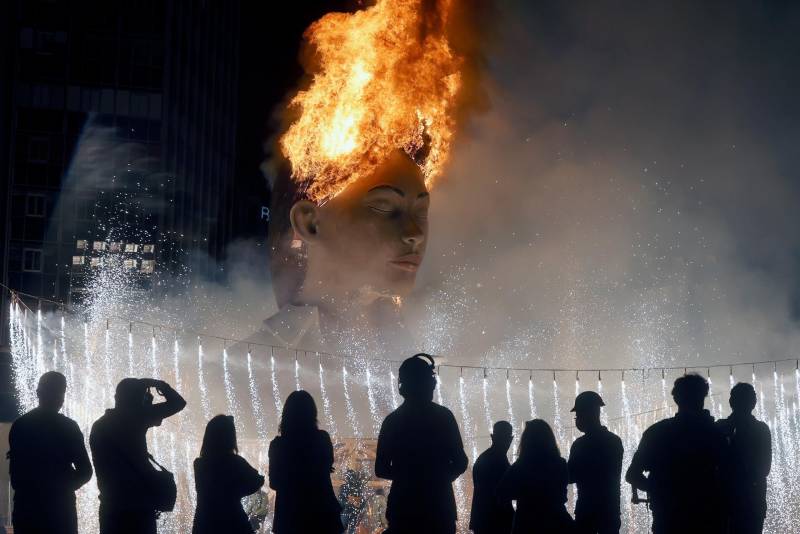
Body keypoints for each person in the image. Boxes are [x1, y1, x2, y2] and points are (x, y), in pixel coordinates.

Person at [375, 353, 468, 534]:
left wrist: (408, 476)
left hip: (403, 509)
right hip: (439, 508)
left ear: (403, 386)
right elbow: (461, 462)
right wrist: (437, 479)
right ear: (430, 384)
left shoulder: (392, 421)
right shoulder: (444, 417)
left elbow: (381, 469)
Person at [626, 373, 726, 534]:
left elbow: (632, 474)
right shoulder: (715, 434)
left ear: (677, 399)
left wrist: (659, 491)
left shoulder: (657, 432)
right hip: (708, 517)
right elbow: (730, 475)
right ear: (703, 397)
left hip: (668, 519)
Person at [90, 378, 186, 534]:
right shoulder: (137, 419)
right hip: (140, 508)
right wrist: (160, 385)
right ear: (137, 401)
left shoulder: (99, 425)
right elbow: (178, 403)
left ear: (116, 397)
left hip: (111, 508)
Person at [8, 371, 93, 534]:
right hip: (61, 513)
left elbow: (16, 477)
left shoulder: (20, 426)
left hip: (27, 511)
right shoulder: (69, 427)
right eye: (60, 392)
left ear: (38, 392)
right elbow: (86, 471)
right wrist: (62, 488)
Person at [269, 390, 343, 534]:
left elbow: (274, 483)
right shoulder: (322, 439)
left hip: (289, 517)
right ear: (312, 413)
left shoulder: (278, 445)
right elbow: (327, 465)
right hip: (322, 514)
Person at [497, 419, 573, 534]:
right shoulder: (560, 463)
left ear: (527, 441)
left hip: (526, 524)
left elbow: (501, 493)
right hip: (557, 522)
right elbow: (561, 493)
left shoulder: (521, 466)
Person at [192, 415, 265, 534]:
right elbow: (257, 480)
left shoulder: (199, 464)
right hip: (233, 521)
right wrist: (239, 491)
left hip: (204, 522)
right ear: (231, 438)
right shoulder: (236, 462)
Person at [716, 383, 771, 534]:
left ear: (731, 402)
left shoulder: (719, 427)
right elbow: (764, 468)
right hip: (752, 502)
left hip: (725, 502)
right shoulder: (761, 430)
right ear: (754, 402)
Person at [568, 391, 623, 534]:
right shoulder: (614, 441)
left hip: (586, 511)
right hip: (610, 510)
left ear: (587, 414)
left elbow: (570, 476)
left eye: (578, 415)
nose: (577, 419)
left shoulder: (580, 445)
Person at [469, 420, 514, 534]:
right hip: (498, 520)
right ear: (511, 439)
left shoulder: (483, 459)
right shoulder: (500, 461)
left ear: (492, 437)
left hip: (482, 519)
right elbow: (504, 493)